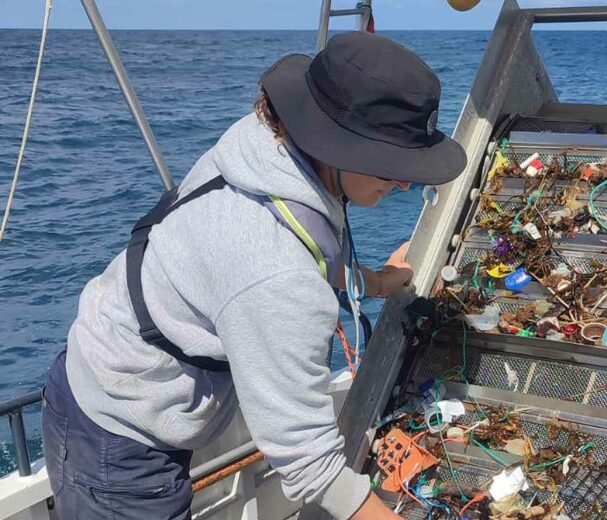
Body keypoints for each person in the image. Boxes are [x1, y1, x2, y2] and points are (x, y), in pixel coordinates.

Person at [42, 31, 466, 520]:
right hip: (118, 436)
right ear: (337, 147)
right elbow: (309, 464)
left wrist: (378, 283)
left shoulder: (266, 148)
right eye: (391, 165)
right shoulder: (276, 275)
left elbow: (304, 239)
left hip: (101, 369)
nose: (404, 182)